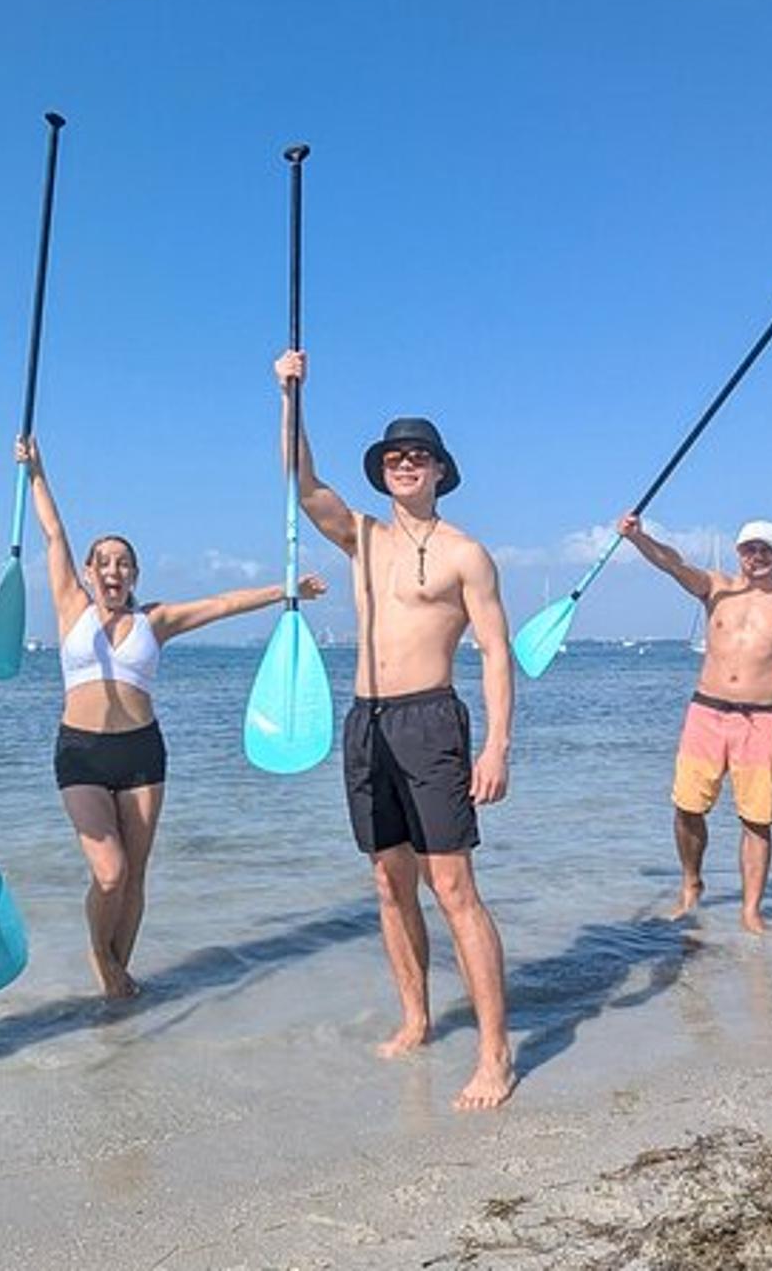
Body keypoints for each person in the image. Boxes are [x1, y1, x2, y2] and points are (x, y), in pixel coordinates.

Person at [272, 349, 517, 1111]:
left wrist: (497, 743)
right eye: (395, 457)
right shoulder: (362, 536)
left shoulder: (466, 554)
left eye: (419, 455)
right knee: (387, 881)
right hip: (366, 721)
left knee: (453, 886)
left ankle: (494, 1051)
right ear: (384, 472)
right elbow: (302, 481)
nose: (406, 464)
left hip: (430, 718)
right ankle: (415, 1016)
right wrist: (291, 397)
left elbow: (498, 652)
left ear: (440, 469)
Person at [18, 436, 326, 999]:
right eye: (103, 562)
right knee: (108, 871)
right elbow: (54, 534)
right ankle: (100, 958)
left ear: (134, 574)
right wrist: (37, 472)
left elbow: (223, 604)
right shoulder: (70, 607)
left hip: (142, 753)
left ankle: (118, 980)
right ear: (88, 572)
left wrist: (288, 590)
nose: (113, 570)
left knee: (135, 874)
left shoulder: (155, 620)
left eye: (123, 563)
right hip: (80, 753)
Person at [616, 514, 772, 934]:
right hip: (706, 713)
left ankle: (751, 910)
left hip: (762, 720)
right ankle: (690, 884)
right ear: (739, 553)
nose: (758, 557)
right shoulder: (715, 587)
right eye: (750, 549)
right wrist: (639, 538)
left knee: (757, 819)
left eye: (767, 550)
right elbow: (671, 564)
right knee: (687, 807)